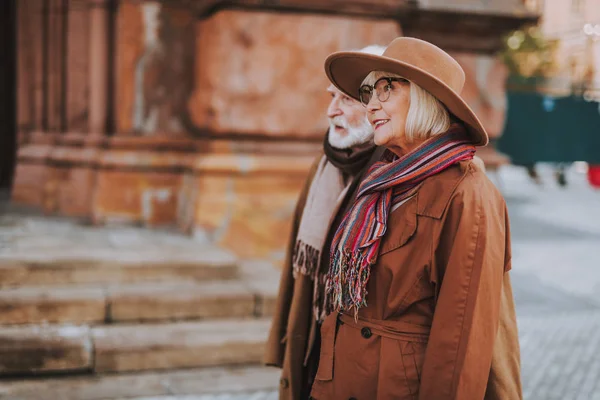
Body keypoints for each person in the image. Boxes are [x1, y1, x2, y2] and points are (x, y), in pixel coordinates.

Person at [309, 37, 521, 400]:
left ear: (425, 97)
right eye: (367, 93)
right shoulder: (383, 180)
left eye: (385, 89)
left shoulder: (468, 194)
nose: (371, 105)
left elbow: (461, 343)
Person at [264, 45, 387, 400]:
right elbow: (295, 270)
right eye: (331, 97)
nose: (331, 110)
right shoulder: (323, 166)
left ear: (378, 107)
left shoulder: (398, 174)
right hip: (313, 338)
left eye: (346, 100)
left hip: (360, 355)